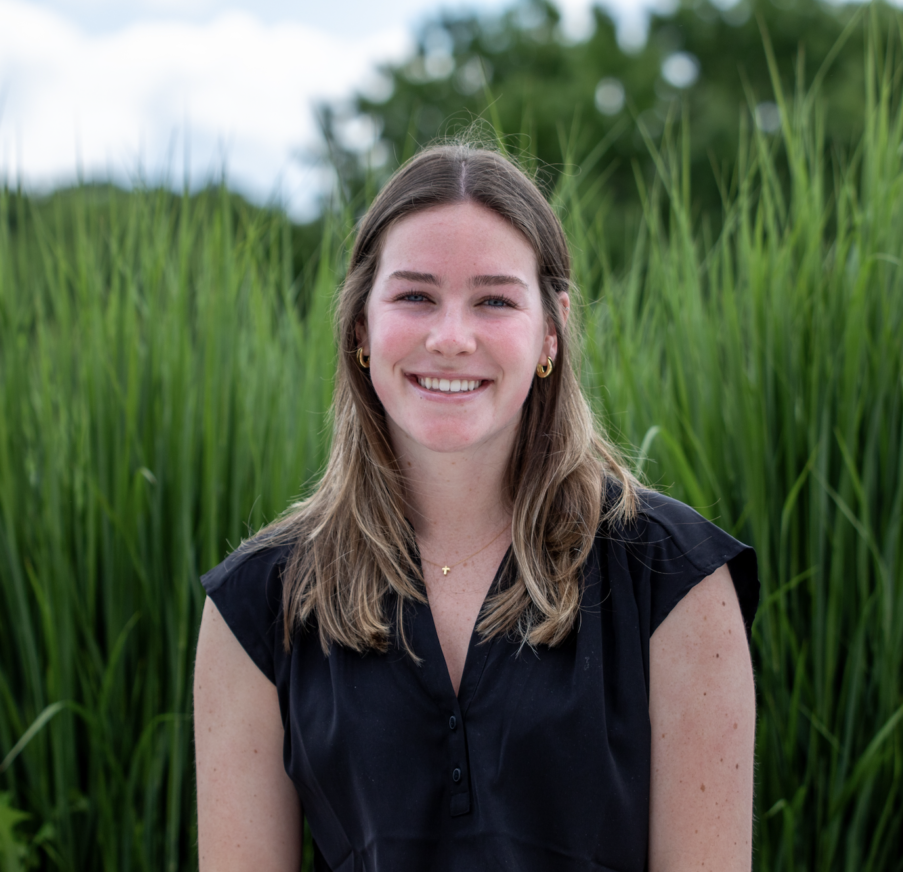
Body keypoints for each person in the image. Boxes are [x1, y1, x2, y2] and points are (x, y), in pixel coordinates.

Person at [193, 143, 759, 872]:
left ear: (550, 330)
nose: (451, 338)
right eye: (415, 296)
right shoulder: (257, 605)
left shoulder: (674, 582)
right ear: (361, 327)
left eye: (494, 299)